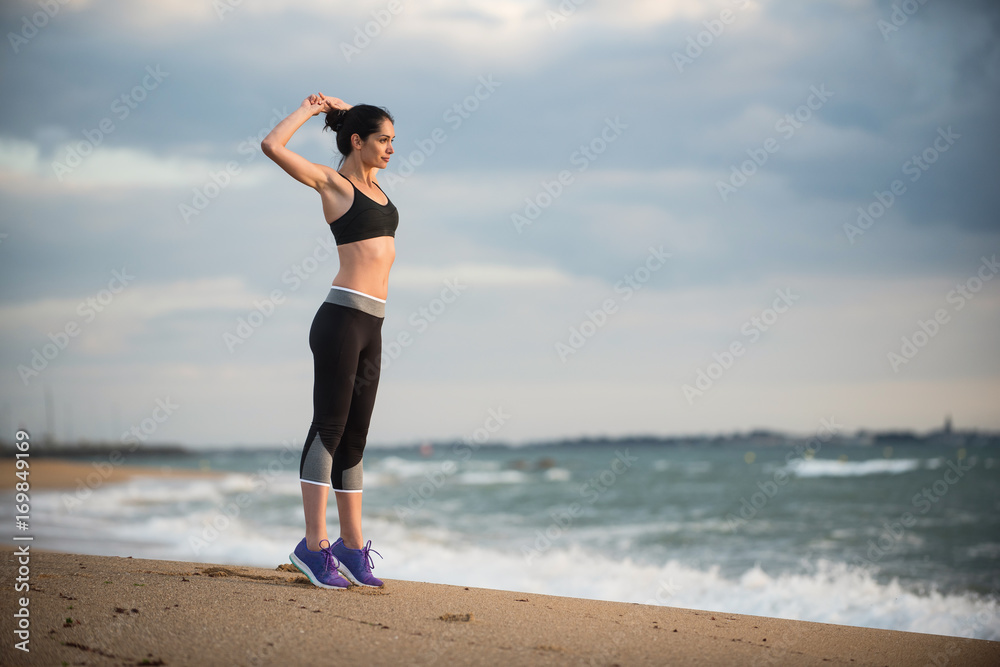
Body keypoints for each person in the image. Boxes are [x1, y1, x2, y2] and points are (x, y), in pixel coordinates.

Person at [261, 93, 397, 589]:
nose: (390, 149)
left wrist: (346, 113)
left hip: (373, 325)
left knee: (356, 439)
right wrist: (312, 109)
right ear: (357, 142)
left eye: (393, 141)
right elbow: (272, 145)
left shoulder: (377, 186)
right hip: (341, 320)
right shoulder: (333, 184)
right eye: (382, 140)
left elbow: (363, 143)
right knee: (330, 429)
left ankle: (351, 545)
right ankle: (313, 546)